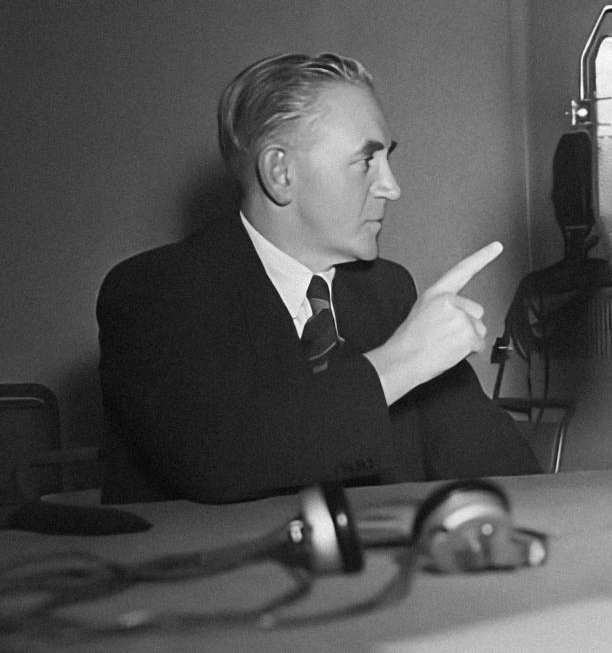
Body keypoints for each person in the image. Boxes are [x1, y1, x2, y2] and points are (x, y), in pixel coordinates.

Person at [98, 52, 540, 504]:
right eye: (367, 161)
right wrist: (400, 362)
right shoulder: (155, 290)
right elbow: (218, 459)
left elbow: (505, 471)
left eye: (387, 159)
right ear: (281, 173)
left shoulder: (386, 291)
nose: (392, 186)